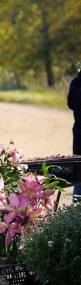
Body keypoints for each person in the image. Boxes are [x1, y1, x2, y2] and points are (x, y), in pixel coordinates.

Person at [68, 65, 81, 201]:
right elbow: (71, 103)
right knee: (79, 171)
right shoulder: (77, 83)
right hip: (80, 134)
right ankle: (76, 212)